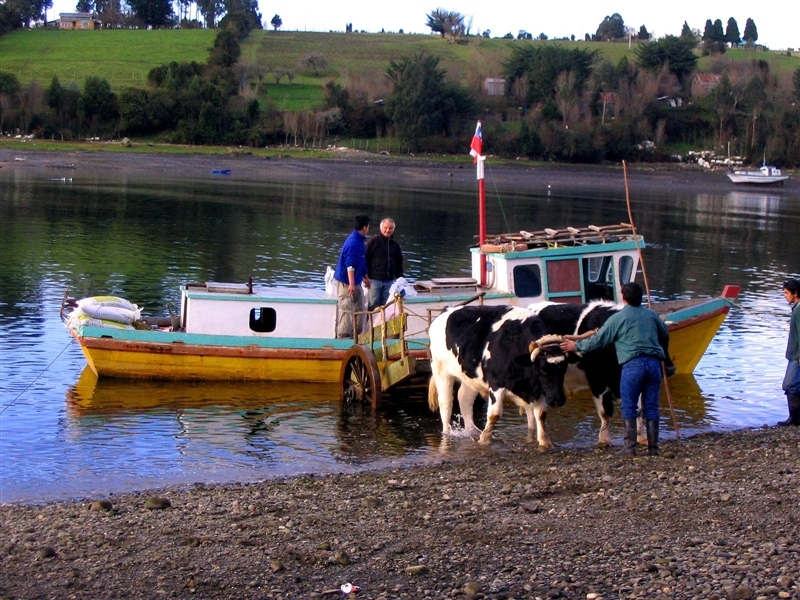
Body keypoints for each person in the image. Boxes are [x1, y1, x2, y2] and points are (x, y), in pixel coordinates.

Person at [560, 282, 670, 456]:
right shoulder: (652, 315)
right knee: (651, 406)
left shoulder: (618, 317)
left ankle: (629, 448)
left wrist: (576, 346)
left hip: (633, 365)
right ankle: (653, 448)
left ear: (624, 298)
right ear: (640, 298)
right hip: (654, 365)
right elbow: (664, 332)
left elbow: (598, 340)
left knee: (629, 405)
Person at [333, 215, 371, 339]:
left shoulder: (360, 241)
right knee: (347, 308)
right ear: (365, 227)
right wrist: (351, 283)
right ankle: (343, 337)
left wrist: (365, 277)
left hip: (356, 280)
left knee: (360, 306)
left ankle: (357, 334)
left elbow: (361, 261)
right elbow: (350, 265)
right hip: (346, 282)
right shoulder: (353, 242)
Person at [365, 217, 404, 311]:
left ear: (393, 229)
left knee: (386, 305)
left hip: (389, 281)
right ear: (381, 228)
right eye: (385, 227)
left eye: (390, 228)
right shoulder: (373, 242)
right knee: (373, 305)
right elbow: (365, 259)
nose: (388, 230)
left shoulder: (395, 246)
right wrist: (365, 276)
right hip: (374, 280)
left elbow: (399, 263)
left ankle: (382, 325)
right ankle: (370, 325)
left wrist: (401, 280)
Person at [778, 278, 800, 426]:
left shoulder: (799, 310)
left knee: (789, 385)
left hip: (797, 356)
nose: (785, 296)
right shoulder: (797, 308)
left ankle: (794, 419)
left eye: (786, 293)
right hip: (795, 355)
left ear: (795, 293)